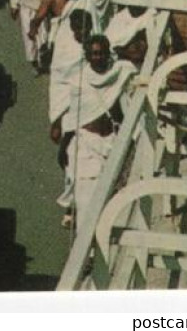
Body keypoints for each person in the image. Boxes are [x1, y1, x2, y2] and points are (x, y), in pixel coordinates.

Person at [59, 35, 136, 231]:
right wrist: (63, 148)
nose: (99, 57)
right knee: (86, 204)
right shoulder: (79, 82)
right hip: (86, 145)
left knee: (108, 201)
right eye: (94, 54)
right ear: (87, 56)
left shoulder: (119, 73)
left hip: (110, 142)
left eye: (102, 53)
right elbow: (73, 119)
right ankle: (86, 252)